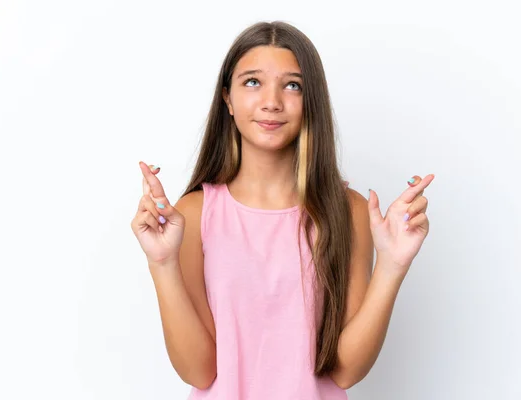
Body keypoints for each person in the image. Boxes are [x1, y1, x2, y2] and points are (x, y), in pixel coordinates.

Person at [131, 20, 434, 399]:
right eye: (252, 82)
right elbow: (199, 370)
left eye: (292, 85)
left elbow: (344, 372)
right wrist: (162, 264)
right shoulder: (193, 213)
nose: (271, 101)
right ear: (227, 98)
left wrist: (392, 266)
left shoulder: (348, 211)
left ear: (312, 101)